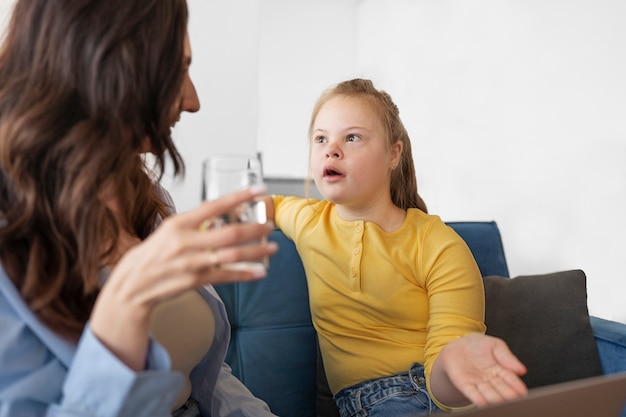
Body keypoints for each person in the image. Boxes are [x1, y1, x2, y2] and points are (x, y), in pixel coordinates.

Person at [0, 1, 280, 416]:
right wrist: (124, 310)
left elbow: (204, 379)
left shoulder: (146, 200)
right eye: (176, 71)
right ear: (105, 65)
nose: (193, 100)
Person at [266, 78, 528, 416]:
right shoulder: (307, 220)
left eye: (352, 137)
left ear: (393, 154)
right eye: (321, 138)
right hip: (372, 401)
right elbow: (262, 205)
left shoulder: (439, 244)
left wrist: (453, 361)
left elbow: (444, 384)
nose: (331, 149)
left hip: (433, 395)